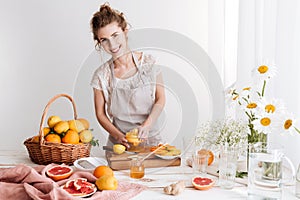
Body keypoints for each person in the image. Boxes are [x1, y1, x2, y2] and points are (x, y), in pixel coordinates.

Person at [90, 3, 165, 148]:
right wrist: (118, 136)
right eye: (104, 40)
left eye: (115, 35)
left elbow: (160, 99)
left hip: (152, 144)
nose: (112, 45)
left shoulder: (149, 63)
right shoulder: (101, 76)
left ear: (125, 31)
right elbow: (100, 114)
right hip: (119, 147)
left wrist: (147, 125)